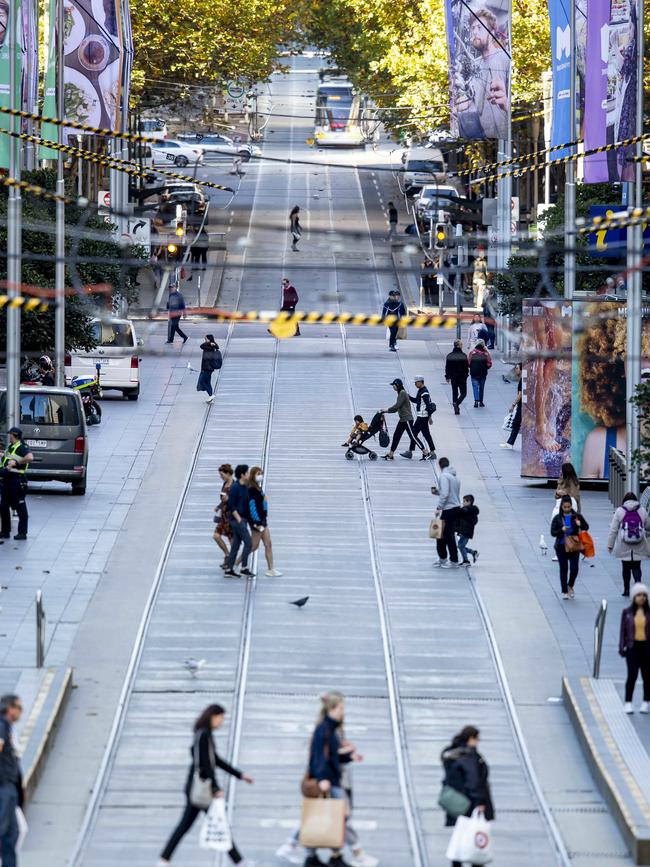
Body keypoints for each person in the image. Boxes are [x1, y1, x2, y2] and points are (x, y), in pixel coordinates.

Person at [158, 703, 254, 865]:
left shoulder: (204, 734)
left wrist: (239, 775)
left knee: (189, 826)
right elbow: (206, 764)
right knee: (219, 825)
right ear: (213, 716)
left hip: (197, 788)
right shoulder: (203, 735)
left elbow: (215, 760)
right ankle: (240, 862)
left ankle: (163, 860)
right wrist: (215, 788)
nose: (222, 722)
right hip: (201, 789)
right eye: (221, 718)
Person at [295, 692, 377, 867]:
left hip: (334, 779)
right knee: (341, 814)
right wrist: (323, 778)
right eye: (340, 708)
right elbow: (319, 757)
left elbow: (332, 756)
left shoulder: (331, 728)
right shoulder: (325, 729)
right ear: (331, 708)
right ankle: (355, 853)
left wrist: (349, 757)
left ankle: (322, 855)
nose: (343, 711)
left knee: (328, 815)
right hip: (330, 780)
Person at [441, 724, 494, 867]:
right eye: (477, 739)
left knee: (460, 836)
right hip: (470, 802)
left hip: (456, 801)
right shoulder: (469, 756)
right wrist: (480, 801)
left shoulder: (452, 753)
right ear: (471, 738)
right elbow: (473, 780)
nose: (478, 742)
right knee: (475, 838)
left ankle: (457, 862)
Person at [607, 492, 650, 596]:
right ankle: (638, 588)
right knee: (636, 567)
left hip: (623, 544)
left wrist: (610, 545)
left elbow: (613, 529)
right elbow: (648, 525)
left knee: (625, 567)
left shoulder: (619, 511)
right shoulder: (642, 510)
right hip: (639, 544)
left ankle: (626, 590)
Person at [550, 495, 590, 599]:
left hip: (574, 546)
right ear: (561, 506)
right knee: (563, 569)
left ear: (571, 506)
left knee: (574, 569)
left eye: (568, 507)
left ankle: (570, 585)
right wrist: (561, 530)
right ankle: (564, 591)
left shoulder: (577, 516)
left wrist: (579, 524)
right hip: (561, 546)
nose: (567, 509)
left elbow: (586, 527)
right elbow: (552, 532)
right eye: (565, 507)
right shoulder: (557, 518)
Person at [619, 584, 650, 714]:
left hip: (647, 648)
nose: (641, 598)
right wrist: (622, 647)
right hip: (633, 647)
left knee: (647, 676)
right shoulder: (627, 613)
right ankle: (628, 702)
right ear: (634, 597)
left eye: (644, 595)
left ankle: (645, 702)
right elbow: (623, 632)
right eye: (638, 595)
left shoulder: (649, 613)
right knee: (632, 675)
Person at [246, 466, 282, 577]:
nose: (260, 475)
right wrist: (256, 522)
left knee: (268, 544)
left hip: (263, 521)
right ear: (253, 475)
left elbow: (263, 504)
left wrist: (265, 504)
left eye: (261, 473)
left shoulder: (258, 488)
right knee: (253, 546)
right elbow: (252, 507)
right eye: (258, 473)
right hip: (257, 523)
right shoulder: (251, 489)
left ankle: (271, 569)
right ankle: (236, 564)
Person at [0, 694, 23, 867]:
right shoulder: (1, 726)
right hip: (4, 788)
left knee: (11, 834)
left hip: (9, 787)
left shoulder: (6, 727)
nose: (21, 712)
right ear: (10, 708)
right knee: (5, 833)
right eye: (19, 708)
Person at [380, 378, 426, 460]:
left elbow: (396, 407)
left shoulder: (402, 393)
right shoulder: (400, 393)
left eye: (393, 385)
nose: (393, 387)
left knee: (413, 436)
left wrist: (386, 410)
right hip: (402, 420)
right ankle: (391, 454)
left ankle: (425, 452)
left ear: (397, 385)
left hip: (407, 419)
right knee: (396, 436)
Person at [0, 429, 33, 542]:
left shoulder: (22, 446)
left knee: (20, 506)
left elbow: (30, 458)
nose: (8, 436)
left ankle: (22, 532)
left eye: (9, 434)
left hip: (17, 480)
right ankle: (5, 531)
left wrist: (16, 463)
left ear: (14, 435)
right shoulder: (11, 446)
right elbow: (8, 457)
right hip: (7, 479)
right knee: (3, 506)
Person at [224, 465, 254, 578]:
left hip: (243, 519)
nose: (249, 474)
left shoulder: (245, 487)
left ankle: (229, 569)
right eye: (248, 472)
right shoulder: (235, 487)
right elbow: (231, 505)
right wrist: (239, 520)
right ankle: (244, 568)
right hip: (237, 520)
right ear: (242, 474)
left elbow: (247, 505)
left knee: (236, 545)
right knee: (249, 543)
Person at [433, 457, 461, 568]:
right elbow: (449, 493)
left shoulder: (444, 476)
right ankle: (446, 558)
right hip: (456, 507)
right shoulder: (454, 477)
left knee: (444, 535)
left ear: (440, 466)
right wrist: (437, 492)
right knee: (446, 535)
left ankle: (450, 560)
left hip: (448, 509)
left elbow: (445, 494)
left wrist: (439, 507)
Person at [408, 376, 436, 461]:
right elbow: (416, 401)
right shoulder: (420, 391)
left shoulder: (424, 392)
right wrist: (408, 396)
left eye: (416, 382)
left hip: (423, 417)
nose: (415, 384)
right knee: (419, 434)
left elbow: (428, 405)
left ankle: (411, 451)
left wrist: (430, 417)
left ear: (420, 382)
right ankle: (431, 452)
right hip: (421, 416)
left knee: (414, 434)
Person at [213, 463, 234, 567]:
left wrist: (229, 500)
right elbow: (223, 499)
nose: (221, 477)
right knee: (216, 536)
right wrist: (219, 506)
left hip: (231, 516)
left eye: (222, 475)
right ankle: (227, 554)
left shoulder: (235, 485)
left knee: (232, 540)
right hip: (223, 516)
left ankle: (231, 562)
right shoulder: (225, 484)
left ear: (228, 473)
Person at [445, 340, 469, 415]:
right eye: (461, 344)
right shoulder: (463, 355)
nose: (462, 345)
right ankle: (457, 404)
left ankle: (455, 404)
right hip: (462, 377)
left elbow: (447, 367)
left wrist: (447, 376)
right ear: (458, 346)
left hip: (453, 377)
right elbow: (466, 367)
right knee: (463, 393)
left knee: (454, 392)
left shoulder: (450, 355)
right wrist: (466, 375)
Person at [500, 369, 522, 449]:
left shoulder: (523, 380)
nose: (516, 370)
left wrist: (513, 405)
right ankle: (510, 443)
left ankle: (510, 443)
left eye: (517, 368)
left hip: (522, 406)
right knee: (516, 424)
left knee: (516, 424)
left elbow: (520, 394)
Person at [196, 335, 222, 403]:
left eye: (206, 339)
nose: (205, 340)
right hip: (208, 368)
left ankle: (211, 395)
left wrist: (209, 343)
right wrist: (210, 343)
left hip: (207, 368)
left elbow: (201, 346)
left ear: (209, 339)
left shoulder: (209, 347)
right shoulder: (210, 346)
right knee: (207, 382)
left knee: (202, 381)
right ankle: (211, 397)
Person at [468, 340, 492, 408]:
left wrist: (472, 366)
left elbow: (468, 363)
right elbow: (489, 364)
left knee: (475, 387)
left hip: (474, 373)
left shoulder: (472, 353)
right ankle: (481, 402)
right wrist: (485, 367)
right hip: (483, 373)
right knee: (481, 388)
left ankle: (476, 401)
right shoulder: (486, 354)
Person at [457, 495, 479, 566]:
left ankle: (466, 561)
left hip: (466, 532)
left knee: (460, 546)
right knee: (461, 546)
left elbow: (472, 521)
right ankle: (473, 553)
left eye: (464, 501)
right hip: (465, 531)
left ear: (469, 502)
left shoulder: (467, 510)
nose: (463, 503)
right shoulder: (469, 511)